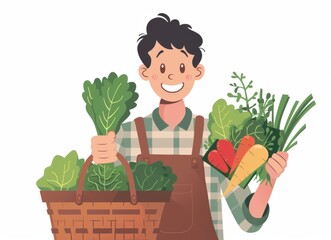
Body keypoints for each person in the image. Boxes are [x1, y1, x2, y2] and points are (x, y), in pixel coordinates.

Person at [91, 13, 288, 240]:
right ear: (145, 72)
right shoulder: (127, 136)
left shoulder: (213, 137)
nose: (173, 75)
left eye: (182, 66)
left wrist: (269, 181)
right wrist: (102, 158)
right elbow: (105, 208)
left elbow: (246, 221)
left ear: (197, 72)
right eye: (162, 66)